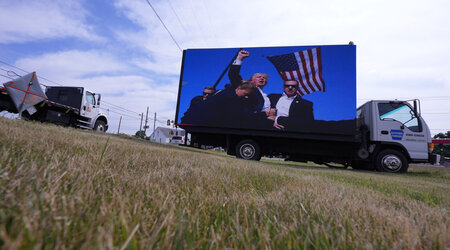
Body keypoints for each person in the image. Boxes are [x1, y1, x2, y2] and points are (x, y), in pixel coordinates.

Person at [182, 82, 257, 127]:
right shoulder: (229, 97)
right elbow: (237, 115)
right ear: (238, 88)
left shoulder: (227, 94)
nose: (246, 97)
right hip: (196, 122)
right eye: (245, 94)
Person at [228, 50, 276, 118]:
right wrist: (239, 58)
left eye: (264, 78)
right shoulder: (247, 88)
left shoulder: (266, 96)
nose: (262, 78)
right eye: (259, 77)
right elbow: (233, 75)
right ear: (251, 80)